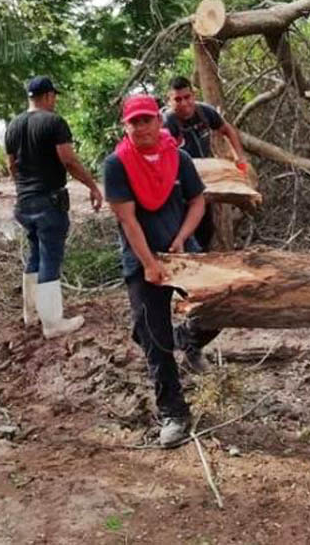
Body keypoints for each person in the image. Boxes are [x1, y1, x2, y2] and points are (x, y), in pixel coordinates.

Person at [104, 94, 208, 447]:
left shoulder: (179, 159)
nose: (142, 127)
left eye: (147, 120)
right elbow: (127, 218)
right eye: (134, 122)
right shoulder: (117, 165)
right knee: (155, 338)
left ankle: (188, 340)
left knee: (216, 307)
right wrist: (149, 263)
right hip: (142, 261)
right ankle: (174, 412)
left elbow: (197, 201)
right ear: (126, 126)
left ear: (158, 121)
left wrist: (182, 238)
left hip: (184, 253)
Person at [5, 75, 103, 339]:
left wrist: (24, 188)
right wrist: (93, 186)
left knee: (36, 253)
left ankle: (31, 314)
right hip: (49, 200)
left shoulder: (13, 125)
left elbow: (11, 165)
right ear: (48, 96)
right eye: (54, 96)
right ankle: (52, 323)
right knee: (50, 256)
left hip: (24, 201)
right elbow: (68, 160)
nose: (55, 101)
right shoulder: (54, 122)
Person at [161, 75, 247, 249]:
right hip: (178, 186)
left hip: (206, 182)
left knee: (205, 228)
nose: (184, 103)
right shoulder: (166, 122)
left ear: (194, 95)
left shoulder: (205, 112)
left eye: (187, 97)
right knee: (180, 230)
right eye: (178, 100)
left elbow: (227, 129)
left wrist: (239, 156)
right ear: (169, 100)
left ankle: (203, 257)